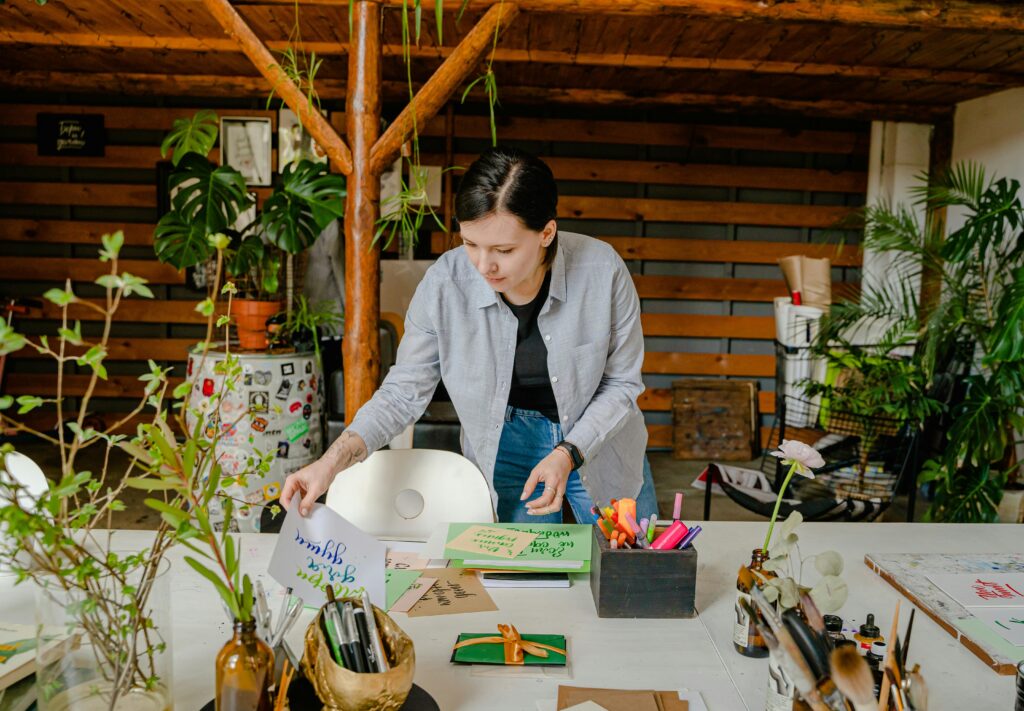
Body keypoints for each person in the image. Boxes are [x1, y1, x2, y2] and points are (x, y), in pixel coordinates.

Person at [281, 146, 658, 523]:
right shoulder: (445, 284)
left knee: (632, 570)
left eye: (504, 249)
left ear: (546, 232)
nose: (483, 265)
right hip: (506, 445)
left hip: (602, 439)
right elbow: (402, 392)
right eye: (470, 244)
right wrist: (330, 463)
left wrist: (568, 452)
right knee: (524, 578)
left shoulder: (602, 270)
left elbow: (621, 383)